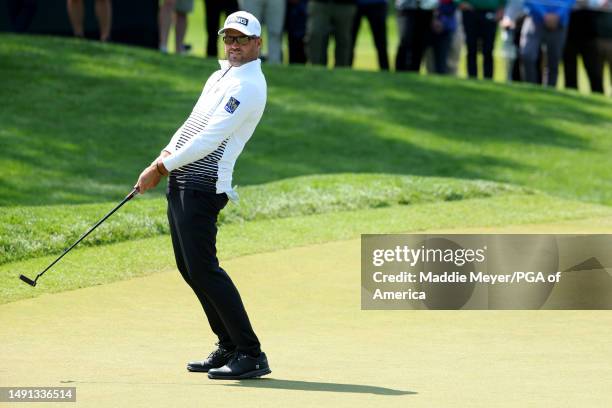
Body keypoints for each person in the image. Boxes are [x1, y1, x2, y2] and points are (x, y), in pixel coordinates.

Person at [135, 10, 271, 380]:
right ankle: (228, 344)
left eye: (242, 39)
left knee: (205, 269)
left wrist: (161, 169)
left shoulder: (249, 85)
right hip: (181, 177)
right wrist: (162, 156)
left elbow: (211, 138)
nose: (234, 45)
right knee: (190, 268)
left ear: (258, 43)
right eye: (229, 38)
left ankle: (250, 352)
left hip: (205, 185)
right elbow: (192, 123)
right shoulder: (219, 75)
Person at [520, 0, 576, 86]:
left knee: (554, 61)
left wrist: (557, 15)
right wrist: (543, 14)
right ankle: (530, 87)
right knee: (528, 55)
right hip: (534, 19)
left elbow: (569, 1)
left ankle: (549, 89)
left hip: (559, 23)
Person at [459, 0, 505, 79]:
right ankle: (472, 77)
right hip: (470, 12)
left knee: (488, 48)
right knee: (471, 47)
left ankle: (488, 78)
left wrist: (501, 8)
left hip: (490, 11)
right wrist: (459, 2)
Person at [306, 0, 357, 67]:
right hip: (319, 3)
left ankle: (341, 73)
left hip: (345, 4)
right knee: (316, 37)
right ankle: (316, 71)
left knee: (343, 41)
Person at [350, 0, 389, 70]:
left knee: (381, 42)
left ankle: (385, 71)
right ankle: (346, 70)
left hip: (377, 3)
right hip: (354, 4)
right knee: (349, 41)